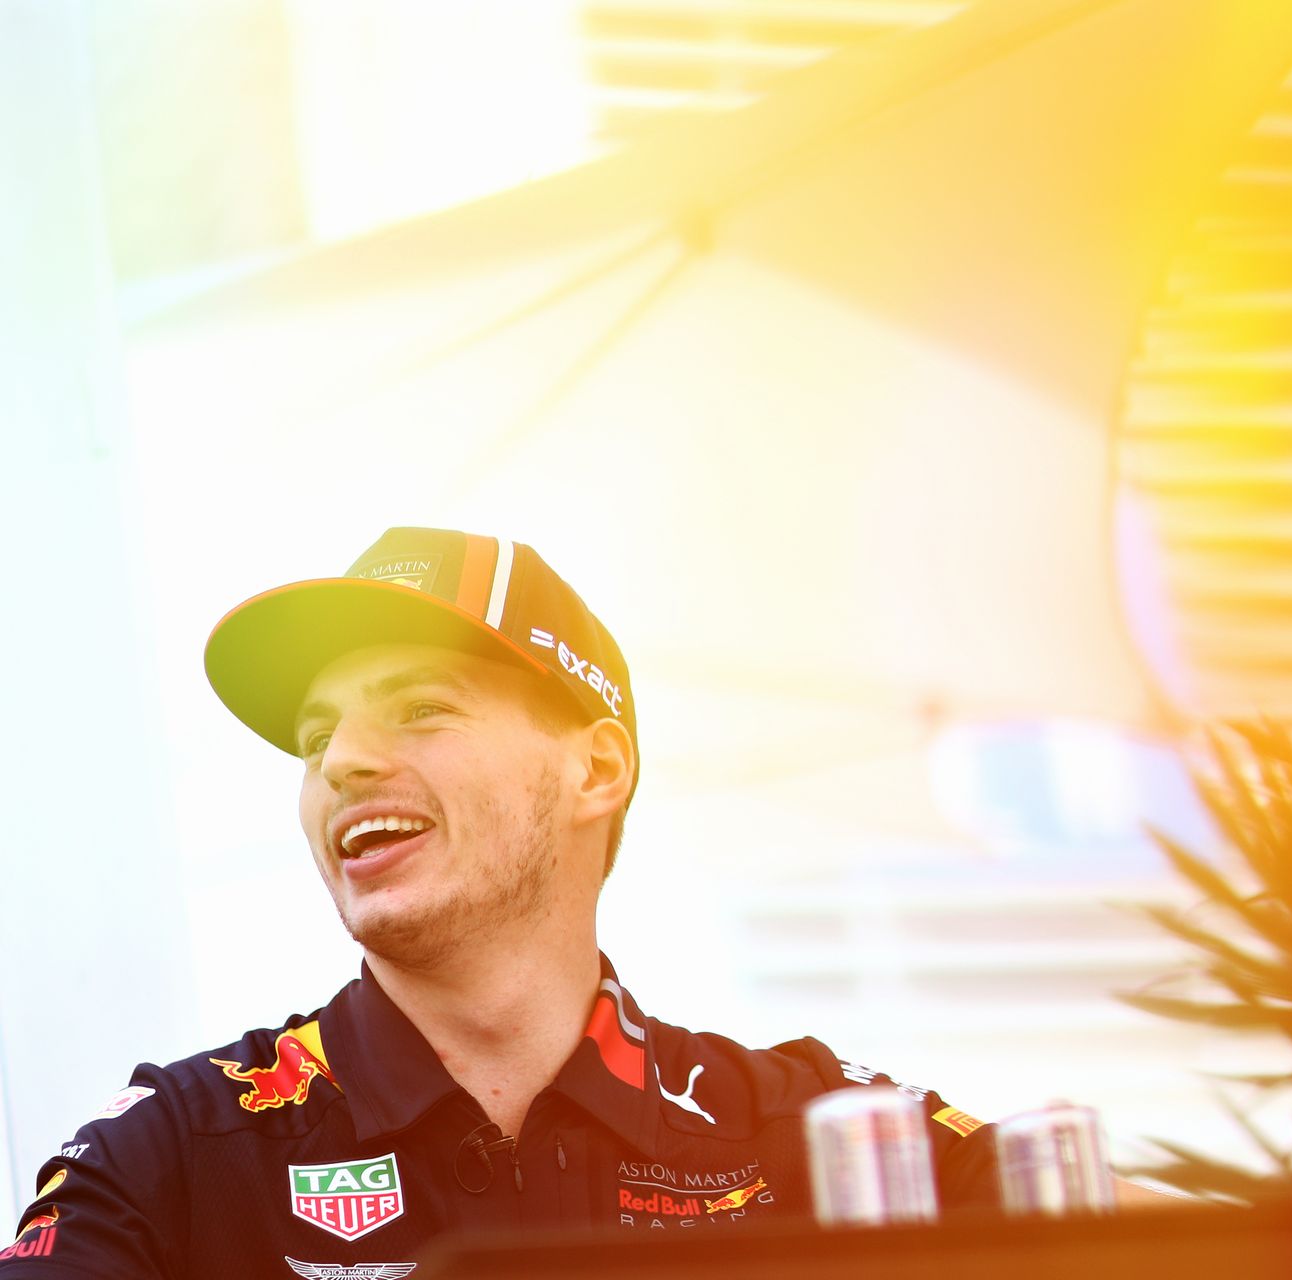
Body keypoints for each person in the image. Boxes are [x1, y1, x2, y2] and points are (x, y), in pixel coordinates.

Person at [3, 526, 1100, 1277]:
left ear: (595, 770)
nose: (340, 761)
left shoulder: (815, 1129)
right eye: (316, 736)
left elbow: (1143, 1235)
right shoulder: (172, 1157)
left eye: (420, 708)